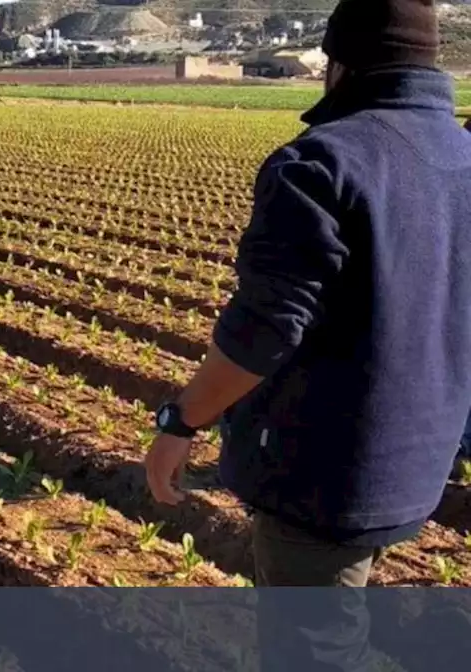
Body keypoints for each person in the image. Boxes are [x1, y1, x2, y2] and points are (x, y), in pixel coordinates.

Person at [144, 0, 471, 587]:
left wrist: (181, 422)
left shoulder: (321, 163)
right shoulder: (463, 156)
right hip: (421, 460)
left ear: (340, 63)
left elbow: (266, 328)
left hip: (324, 479)